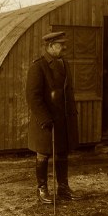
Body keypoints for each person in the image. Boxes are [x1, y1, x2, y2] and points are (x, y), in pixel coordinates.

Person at [26, 31, 82, 204]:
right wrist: (44, 119)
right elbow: (33, 97)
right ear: (50, 46)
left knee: (62, 153)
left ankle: (63, 188)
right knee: (43, 154)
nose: (65, 47)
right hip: (46, 121)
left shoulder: (64, 63)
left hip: (63, 119)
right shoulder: (38, 66)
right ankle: (42, 189)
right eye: (61, 44)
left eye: (64, 43)